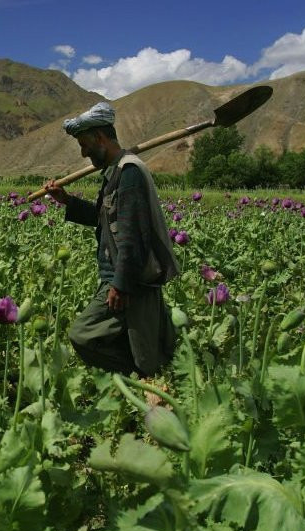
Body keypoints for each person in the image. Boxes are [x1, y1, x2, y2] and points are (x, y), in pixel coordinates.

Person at [42, 102, 179, 377]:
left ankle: (143, 382)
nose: (83, 153)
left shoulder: (128, 173)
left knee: (91, 337)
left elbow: (132, 237)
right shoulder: (115, 173)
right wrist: (66, 200)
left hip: (131, 279)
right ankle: (144, 382)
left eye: (84, 145)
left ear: (101, 138)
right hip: (122, 277)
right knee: (143, 347)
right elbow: (104, 218)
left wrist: (121, 284)